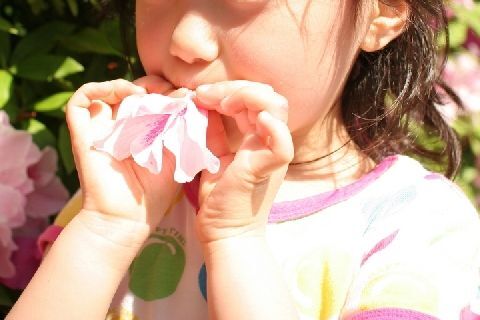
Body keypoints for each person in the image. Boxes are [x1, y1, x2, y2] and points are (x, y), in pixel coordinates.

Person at [6, 0, 480, 319]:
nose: (185, 40)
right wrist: (106, 228)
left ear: (380, 15)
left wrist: (236, 241)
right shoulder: (130, 187)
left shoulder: (417, 231)